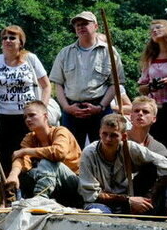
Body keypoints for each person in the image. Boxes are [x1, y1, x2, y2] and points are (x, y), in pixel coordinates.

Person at [79, 114, 167, 216]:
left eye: (114, 135)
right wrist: (129, 200)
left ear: (124, 136)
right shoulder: (89, 153)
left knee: (154, 169)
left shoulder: (129, 148)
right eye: (104, 134)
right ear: (99, 132)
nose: (108, 139)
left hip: (129, 199)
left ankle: (155, 214)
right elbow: (90, 195)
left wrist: (150, 197)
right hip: (101, 204)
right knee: (99, 214)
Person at [50, 11, 124, 146]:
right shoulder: (64, 53)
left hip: (100, 111)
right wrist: (66, 108)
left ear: (96, 26)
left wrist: (100, 106)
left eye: (85, 23)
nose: (80, 27)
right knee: (70, 154)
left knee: (103, 151)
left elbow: (115, 84)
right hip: (72, 111)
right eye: (77, 25)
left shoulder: (109, 52)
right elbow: (58, 83)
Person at [0, 25, 51, 175]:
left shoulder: (30, 59)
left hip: (26, 118)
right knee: (3, 158)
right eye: (4, 38)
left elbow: (46, 85)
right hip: (1, 117)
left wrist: (41, 108)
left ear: (21, 42)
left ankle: (26, 193)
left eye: (12, 38)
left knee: (27, 156)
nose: (8, 41)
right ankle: (7, 195)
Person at [5, 101, 82, 206]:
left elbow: (59, 153)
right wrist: (13, 175)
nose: (28, 119)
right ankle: (26, 200)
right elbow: (21, 158)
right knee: (26, 173)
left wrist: (26, 151)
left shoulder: (60, 131)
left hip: (73, 185)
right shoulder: (30, 137)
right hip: (52, 184)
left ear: (45, 116)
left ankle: (40, 197)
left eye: (32, 115)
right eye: (25, 117)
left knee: (48, 162)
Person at [137, 19, 167, 177]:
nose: (154, 31)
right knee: (156, 148)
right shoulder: (151, 59)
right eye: (152, 29)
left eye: (158, 27)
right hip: (156, 110)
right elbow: (141, 87)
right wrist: (151, 87)